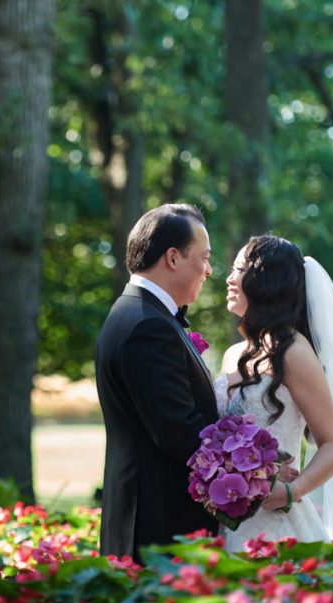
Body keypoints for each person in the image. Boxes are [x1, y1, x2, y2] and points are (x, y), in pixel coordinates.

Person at [216, 234, 333, 548]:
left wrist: (289, 493)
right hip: (224, 515)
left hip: (274, 523)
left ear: (266, 281)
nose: (229, 278)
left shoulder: (293, 351)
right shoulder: (233, 354)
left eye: (239, 270)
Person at [96, 204, 218, 563]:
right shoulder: (148, 326)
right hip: (157, 526)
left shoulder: (136, 313)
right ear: (173, 258)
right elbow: (178, 431)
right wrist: (255, 474)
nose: (209, 270)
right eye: (205, 258)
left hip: (143, 516)